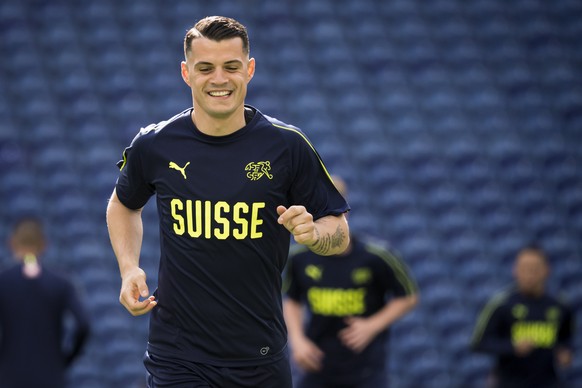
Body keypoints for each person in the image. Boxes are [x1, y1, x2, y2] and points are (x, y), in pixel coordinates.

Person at [105, 16, 350, 388]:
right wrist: (128, 268)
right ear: (186, 73)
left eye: (231, 67)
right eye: (205, 68)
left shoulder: (287, 146)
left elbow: (340, 232)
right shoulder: (155, 144)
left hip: (259, 356)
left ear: (249, 69)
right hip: (177, 356)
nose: (219, 79)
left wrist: (315, 234)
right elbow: (123, 204)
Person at [283, 175, 419, 388]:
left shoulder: (377, 256)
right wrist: (298, 341)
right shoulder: (299, 257)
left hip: (365, 367)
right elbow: (292, 300)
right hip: (318, 364)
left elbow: (408, 297)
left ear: (344, 211)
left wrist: (371, 325)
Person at [0, 217, 90, 388]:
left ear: (11, 243)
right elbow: (83, 324)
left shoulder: (3, 281)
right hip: (51, 376)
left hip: (9, 376)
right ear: (44, 244)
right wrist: (66, 359)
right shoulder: (61, 282)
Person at [471, 245, 575, 388]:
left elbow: (566, 339)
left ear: (547, 270)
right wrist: (512, 347)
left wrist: (565, 353)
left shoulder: (560, 305)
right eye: (525, 268)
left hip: (548, 382)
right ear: (515, 270)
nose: (530, 274)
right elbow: (479, 342)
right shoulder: (502, 304)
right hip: (510, 382)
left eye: (535, 268)